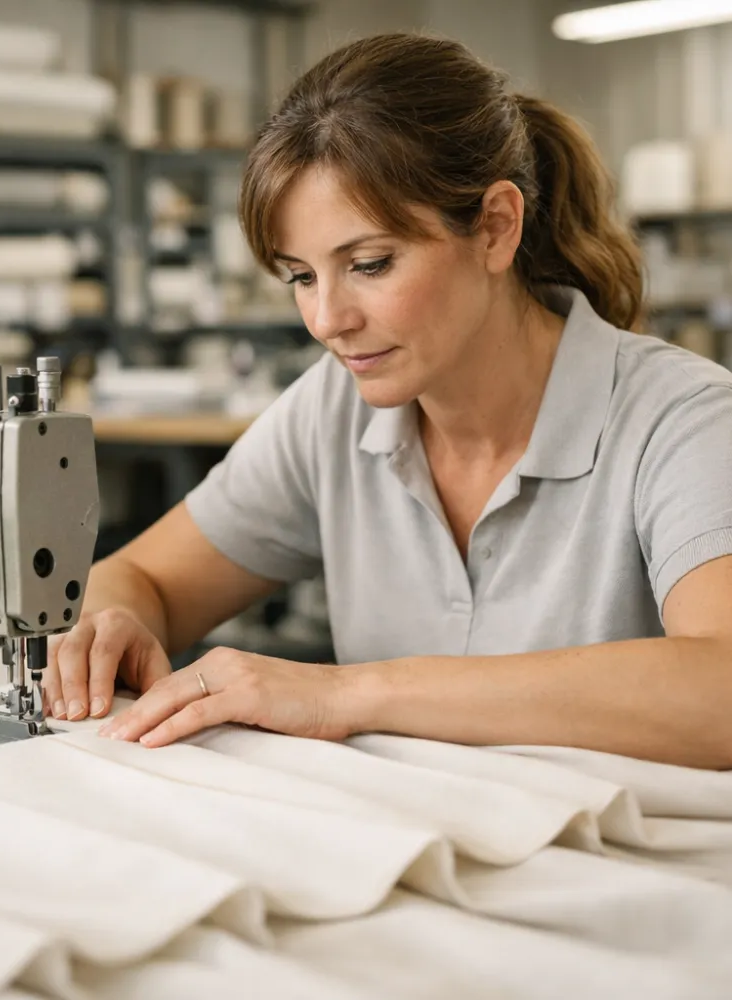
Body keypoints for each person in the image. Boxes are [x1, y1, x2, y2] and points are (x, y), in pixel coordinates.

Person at [44, 32, 732, 769]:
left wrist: (345, 695)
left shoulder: (684, 419)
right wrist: (107, 623)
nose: (326, 320)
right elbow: (145, 578)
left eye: (369, 264)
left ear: (497, 227)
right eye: (300, 277)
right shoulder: (333, 413)